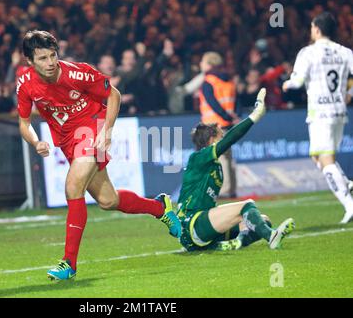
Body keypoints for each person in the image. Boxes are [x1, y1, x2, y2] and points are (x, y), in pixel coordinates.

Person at [16, 30, 181, 281]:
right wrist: (35, 141)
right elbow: (24, 122)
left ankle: (68, 263)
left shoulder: (77, 73)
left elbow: (113, 94)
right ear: (30, 61)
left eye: (53, 55)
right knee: (108, 201)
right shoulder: (25, 84)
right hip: (68, 140)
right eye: (42, 58)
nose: (50, 63)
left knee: (73, 186)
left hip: (92, 127)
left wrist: (107, 131)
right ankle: (160, 207)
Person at [177, 88, 295, 252]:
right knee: (247, 205)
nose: (224, 139)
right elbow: (232, 138)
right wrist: (254, 116)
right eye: (220, 136)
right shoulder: (198, 158)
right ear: (212, 140)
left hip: (204, 227)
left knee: (262, 221)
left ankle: (233, 243)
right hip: (191, 224)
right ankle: (272, 237)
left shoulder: (216, 166)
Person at [283, 12, 353, 224]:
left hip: (319, 114)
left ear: (316, 29)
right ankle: (346, 184)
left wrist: (287, 84)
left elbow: (297, 81)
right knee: (319, 157)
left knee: (325, 159)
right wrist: (350, 94)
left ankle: (350, 205)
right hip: (339, 112)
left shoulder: (308, 53)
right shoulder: (345, 51)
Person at [198, 52, 240, 198]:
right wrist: (233, 117)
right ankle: (232, 188)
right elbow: (236, 101)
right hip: (227, 124)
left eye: (202, 62)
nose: (200, 65)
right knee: (227, 157)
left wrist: (225, 116)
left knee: (218, 158)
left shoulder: (208, 81)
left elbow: (212, 103)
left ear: (209, 64)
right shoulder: (228, 80)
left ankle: (224, 189)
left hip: (212, 125)